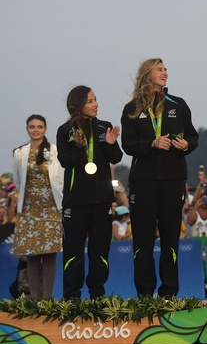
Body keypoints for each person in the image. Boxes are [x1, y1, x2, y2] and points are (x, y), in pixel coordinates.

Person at [121, 58, 199, 298]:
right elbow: (128, 145)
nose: (165, 72)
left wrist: (186, 145)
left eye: (165, 69)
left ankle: (169, 294)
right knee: (143, 242)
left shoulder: (178, 104)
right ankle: (144, 294)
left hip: (173, 181)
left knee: (170, 241)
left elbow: (193, 137)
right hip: (143, 183)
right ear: (147, 74)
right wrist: (152, 143)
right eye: (159, 69)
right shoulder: (132, 108)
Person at [57, 87, 123, 299]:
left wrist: (111, 144)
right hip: (75, 201)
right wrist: (77, 148)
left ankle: (97, 294)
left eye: (95, 100)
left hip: (102, 199)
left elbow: (116, 157)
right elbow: (65, 161)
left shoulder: (104, 127)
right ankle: (72, 296)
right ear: (78, 104)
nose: (96, 104)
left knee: (100, 250)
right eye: (90, 101)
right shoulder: (65, 130)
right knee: (73, 251)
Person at [11, 115, 64, 298]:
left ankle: (47, 298)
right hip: (29, 209)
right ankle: (34, 298)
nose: (36, 130)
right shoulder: (20, 153)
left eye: (39, 126)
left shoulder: (55, 151)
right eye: (32, 127)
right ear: (27, 129)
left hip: (51, 207)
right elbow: (18, 182)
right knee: (31, 255)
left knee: (50, 254)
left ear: (45, 129)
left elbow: (61, 178)